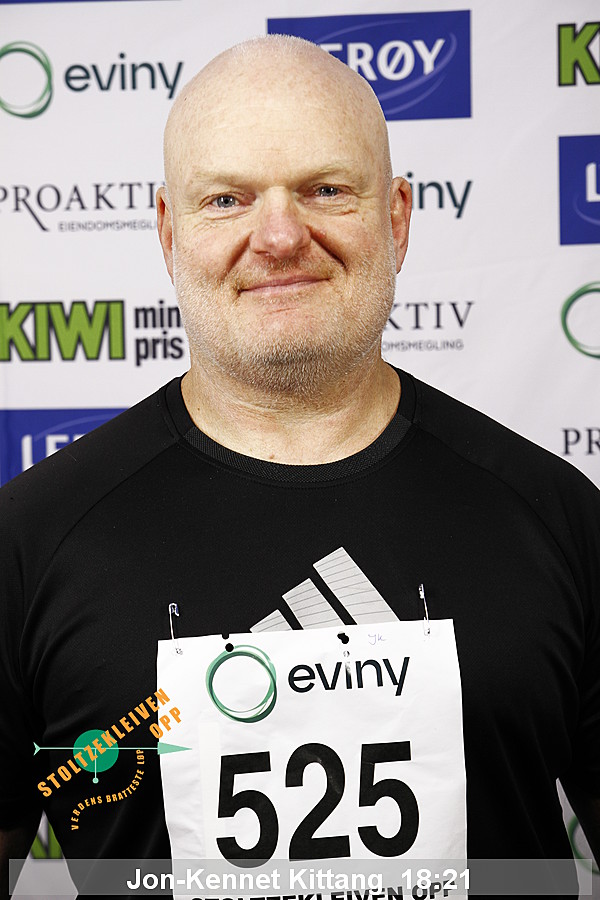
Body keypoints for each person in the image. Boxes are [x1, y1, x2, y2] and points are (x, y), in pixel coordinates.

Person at [1, 34, 599, 898]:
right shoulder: (29, 543)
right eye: (227, 199)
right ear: (169, 232)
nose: (279, 236)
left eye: (325, 190)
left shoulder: (557, 516)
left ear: (396, 217)